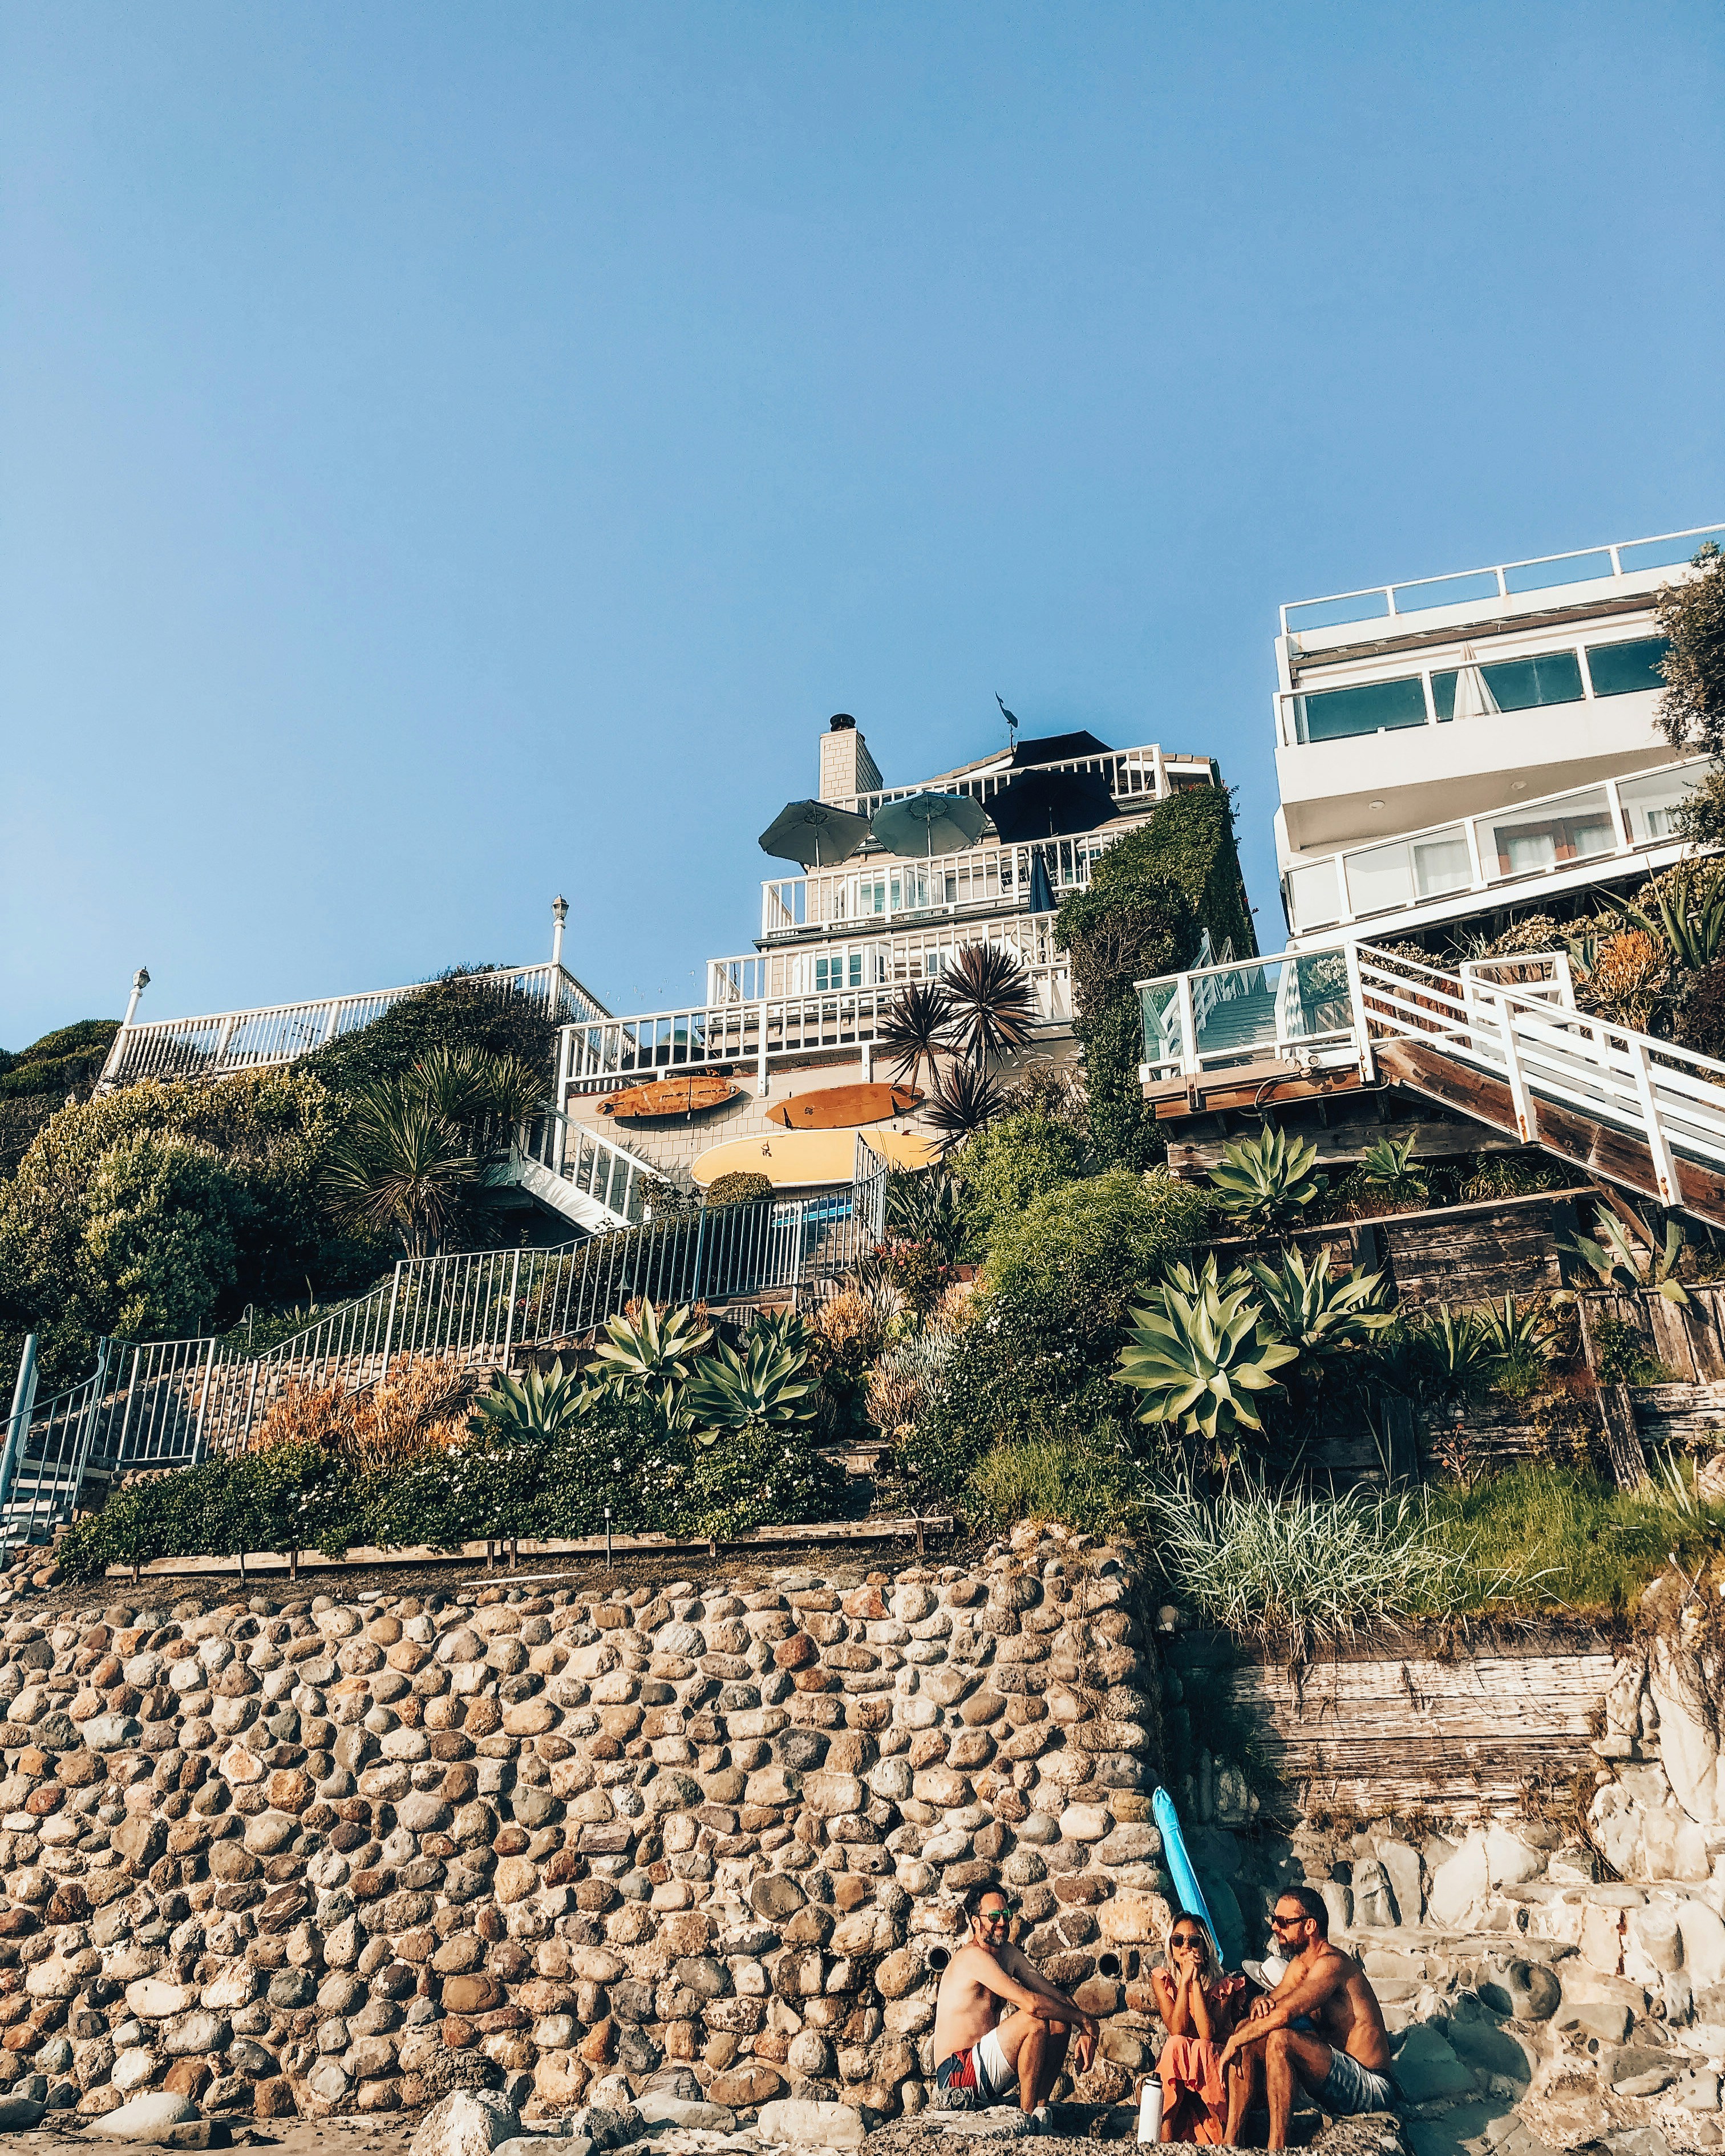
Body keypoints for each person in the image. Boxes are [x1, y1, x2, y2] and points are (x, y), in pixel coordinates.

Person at [1215, 1887, 1396, 2149]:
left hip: (1370, 2084)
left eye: (1284, 1923)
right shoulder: (1300, 1965)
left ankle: (1277, 2148)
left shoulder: (1332, 1964)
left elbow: (1288, 2012)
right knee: (1248, 2030)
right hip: (1332, 2071)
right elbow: (1275, 2003)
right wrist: (1258, 2003)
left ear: (1310, 1925)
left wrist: (1234, 2041)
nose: (1276, 1929)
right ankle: (1231, 2141)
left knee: (1281, 2039)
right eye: (1274, 1921)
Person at [932, 1881, 1101, 2125]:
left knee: (1058, 2021)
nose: (1002, 1922)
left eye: (1006, 1915)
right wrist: (1084, 2020)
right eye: (994, 1916)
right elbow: (1031, 2004)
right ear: (975, 1922)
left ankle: (1040, 2112)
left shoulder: (1008, 1954)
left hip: (985, 2068)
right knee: (1033, 2020)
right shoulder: (972, 1957)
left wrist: (1085, 2026)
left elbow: (1053, 1996)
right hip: (958, 2073)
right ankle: (1026, 2119)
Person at [1145, 1911, 1246, 2143]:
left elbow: (1208, 2033)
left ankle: (1223, 2135)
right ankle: (1165, 2136)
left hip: (1214, 2060)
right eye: (1178, 1940)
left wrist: (1196, 1981)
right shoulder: (1164, 1980)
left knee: (1201, 2047)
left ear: (1205, 1946)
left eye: (1193, 1941)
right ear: (1171, 1946)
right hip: (1180, 2063)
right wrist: (1184, 1983)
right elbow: (1177, 2028)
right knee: (1176, 2044)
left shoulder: (1225, 1986)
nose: (1185, 1947)